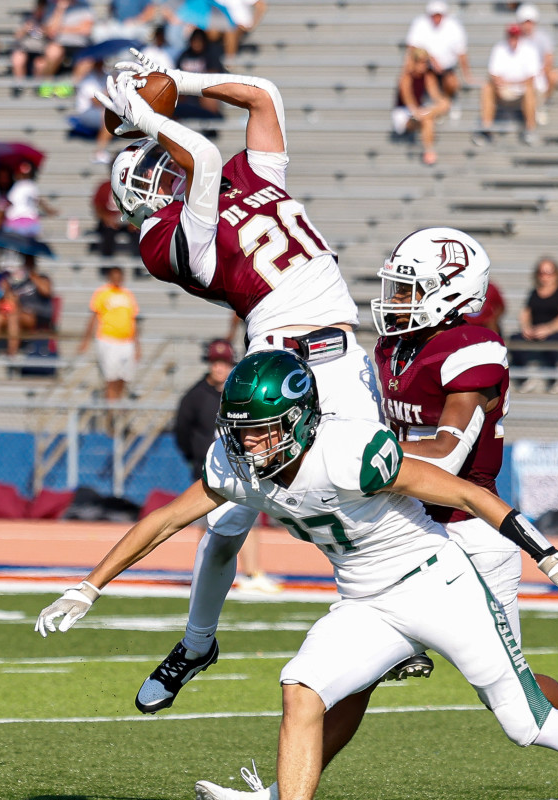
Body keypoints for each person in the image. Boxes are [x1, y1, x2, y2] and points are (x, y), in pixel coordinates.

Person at [36, 349, 558, 800]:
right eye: (241, 431)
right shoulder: (237, 462)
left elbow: (463, 492)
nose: (249, 445)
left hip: (434, 582)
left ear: (298, 421)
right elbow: (164, 521)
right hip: (363, 601)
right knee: (301, 691)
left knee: (524, 721)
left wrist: (545, 552)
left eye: (263, 432)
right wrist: (88, 584)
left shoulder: (351, 452)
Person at [189, 228, 558, 800]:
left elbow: (448, 454)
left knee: (511, 692)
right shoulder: (391, 348)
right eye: (396, 288)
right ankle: (285, 795)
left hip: (466, 527)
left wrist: (354, 458)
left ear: (453, 294)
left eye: (410, 290)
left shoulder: (471, 349)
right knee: (344, 682)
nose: (395, 302)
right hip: (402, 529)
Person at [98, 50, 384, 714]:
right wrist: (149, 110)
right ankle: (197, 642)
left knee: (375, 484)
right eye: (149, 171)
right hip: (275, 363)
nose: (160, 173)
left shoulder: (243, 174)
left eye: (155, 163)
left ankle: (381, 618)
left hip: (342, 356)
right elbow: (196, 154)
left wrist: (182, 80)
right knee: (226, 519)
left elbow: (262, 95)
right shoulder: (164, 240)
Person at [174, 339, 279, 592]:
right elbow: (181, 431)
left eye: (224, 363)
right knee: (205, 522)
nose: (219, 368)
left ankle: (252, 573)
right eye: (215, 363)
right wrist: (196, 457)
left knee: (248, 518)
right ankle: (205, 573)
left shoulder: (240, 393)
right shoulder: (195, 395)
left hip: (242, 467)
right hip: (207, 470)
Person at [510, 256, 558, 394]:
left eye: (549, 272)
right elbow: (525, 313)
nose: (545, 276)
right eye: (542, 272)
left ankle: (553, 380)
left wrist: (548, 329)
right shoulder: (534, 292)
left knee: (550, 343)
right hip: (535, 331)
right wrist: (526, 328)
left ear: (556, 274)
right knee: (514, 340)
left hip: (556, 332)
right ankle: (523, 380)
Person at [78, 266, 140, 404]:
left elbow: (133, 320)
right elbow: (93, 317)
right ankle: (111, 411)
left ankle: (117, 405)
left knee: (124, 378)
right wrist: (85, 340)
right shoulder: (102, 293)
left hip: (126, 341)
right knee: (111, 378)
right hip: (108, 340)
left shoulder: (128, 295)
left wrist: (137, 346)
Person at [473, 23, 541, 146]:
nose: (513, 40)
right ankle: (486, 128)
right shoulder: (499, 48)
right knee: (487, 87)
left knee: (529, 89)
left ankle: (530, 128)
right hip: (504, 90)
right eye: (511, 36)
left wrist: (508, 81)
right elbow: (493, 74)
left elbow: (531, 78)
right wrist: (501, 81)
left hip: (521, 91)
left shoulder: (530, 49)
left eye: (515, 36)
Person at [404, 0, 474, 120]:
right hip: (427, 69)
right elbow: (412, 48)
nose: (436, 18)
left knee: (452, 83)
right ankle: (437, 106)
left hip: (446, 70)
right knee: (428, 81)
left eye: (439, 15)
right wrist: (430, 60)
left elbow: (461, 52)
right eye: (434, 15)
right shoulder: (420, 24)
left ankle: (442, 104)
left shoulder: (454, 26)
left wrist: (467, 75)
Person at [0, 263, 57, 360]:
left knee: (13, 315)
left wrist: (32, 274)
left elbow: (47, 292)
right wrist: (7, 289)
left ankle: (12, 353)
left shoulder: (42, 277)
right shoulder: (14, 282)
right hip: (18, 315)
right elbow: (8, 302)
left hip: (38, 315)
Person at [391, 47, 449, 166]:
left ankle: (428, 150)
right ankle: (429, 150)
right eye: (421, 62)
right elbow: (408, 99)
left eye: (425, 62)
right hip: (404, 112)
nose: (424, 65)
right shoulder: (406, 77)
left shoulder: (427, 77)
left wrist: (441, 103)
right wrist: (421, 112)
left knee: (437, 110)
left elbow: (435, 95)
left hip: (419, 109)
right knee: (427, 119)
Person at [516, 3, 558, 122]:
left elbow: (549, 59)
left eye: (530, 22)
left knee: (554, 75)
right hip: (522, 73)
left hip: (538, 72)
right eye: (525, 22)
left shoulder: (543, 37)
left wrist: (540, 72)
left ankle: (542, 104)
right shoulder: (515, 38)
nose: (527, 25)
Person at [35, 0, 94, 76]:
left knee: (88, 58)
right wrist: (60, 9)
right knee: (53, 52)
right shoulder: (52, 6)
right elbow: (51, 32)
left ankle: (73, 86)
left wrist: (60, 29)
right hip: (58, 44)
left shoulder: (84, 6)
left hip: (80, 45)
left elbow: (86, 30)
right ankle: (46, 84)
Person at [91, 172, 139, 257]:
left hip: (129, 219)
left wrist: (135, 220)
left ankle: (139, 266)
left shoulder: (133, 186)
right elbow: (98, 206)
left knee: (138, 232)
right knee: (107, 233)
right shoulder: (104, 186)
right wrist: (106, 218)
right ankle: (107, 266)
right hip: (111, 221)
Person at [11, 0, 50, 78]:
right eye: (39, 7)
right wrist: (25, 29)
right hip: (25, 49)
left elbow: (53, 35)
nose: (41, 10)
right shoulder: (28, 18)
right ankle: (20, 86)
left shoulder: (50, 20)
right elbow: (17, 36)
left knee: (40, 64)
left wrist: (45, 30)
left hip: (41, 51)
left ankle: (37, 86)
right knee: (18, 58)